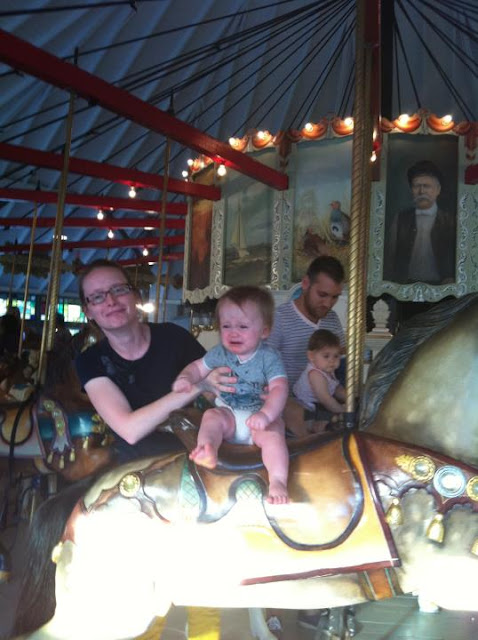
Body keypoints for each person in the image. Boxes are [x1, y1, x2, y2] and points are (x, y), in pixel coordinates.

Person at [75, 258, 233, 463]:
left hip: (191, 453)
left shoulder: (174, 337)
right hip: (137, 466)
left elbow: (217, 387)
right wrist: (198, 386)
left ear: (135, 296)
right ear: (88, 311)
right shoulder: (90, 361)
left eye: (119, 290)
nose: (111, 301)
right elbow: (129, 430)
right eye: (97, 297)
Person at [173, 285, 289, 504]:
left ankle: (278, 480)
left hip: (259, 419)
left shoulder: (269, 357)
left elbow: (279, 388)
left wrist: (266, 415)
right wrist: (186, 377)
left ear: (264, 330)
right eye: (226, 326)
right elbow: (198, 367)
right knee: (211, 417)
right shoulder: (220, 353)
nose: (233, 332)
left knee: (274, 435)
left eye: (243, 326)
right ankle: (208, 448)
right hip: (229, 414)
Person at [383, 159, 456, 284]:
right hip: (404, 286)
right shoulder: (400, 219)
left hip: (442, 287)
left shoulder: (450, 221)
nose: (421, 191)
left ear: (438, 189)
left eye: (427, 186)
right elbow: (389, 257)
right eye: (417, 186)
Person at [293, 329, 345, 422]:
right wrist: (342, 410)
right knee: (333, 418)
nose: (332, 360)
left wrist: (350, 398)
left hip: (319, 404)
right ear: (311, 356)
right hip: (308, 406)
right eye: (326, 356)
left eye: (336, 356)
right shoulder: (315, 374)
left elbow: (337, 388)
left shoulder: (327, 369)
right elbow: (325, 398)